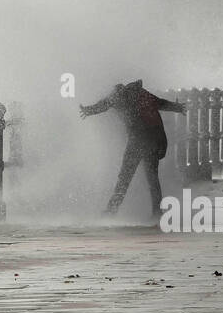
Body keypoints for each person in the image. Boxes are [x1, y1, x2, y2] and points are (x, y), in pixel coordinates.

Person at [80, 79, 186, 216]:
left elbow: (104, 104)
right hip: (155, 139)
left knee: (125, 177)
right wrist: (178, 107)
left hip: (138, 140)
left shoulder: (118, 96)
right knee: (152, 178)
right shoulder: (141, 93)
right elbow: (161, 103)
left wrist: (88, 110)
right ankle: (157, 211)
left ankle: (112, 210)